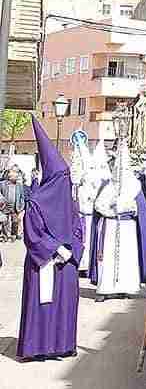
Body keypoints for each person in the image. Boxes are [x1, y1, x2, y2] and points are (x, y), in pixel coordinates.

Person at [17, 119, 83, 360]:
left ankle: (62, 345)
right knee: (43, 305)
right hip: (44, 263)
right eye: (63, 177)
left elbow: (78, 229)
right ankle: (38, 347)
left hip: (66, 265)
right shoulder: (35, 202)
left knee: (63, 306)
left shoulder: (71, 203)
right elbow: (32, 235)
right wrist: (56, 250)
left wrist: (72, 250)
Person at [92, 138, 146, 301]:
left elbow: (139, 210)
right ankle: (105, 288)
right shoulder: (107, 186)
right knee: (108, 258)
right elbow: (98, 205)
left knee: (127, 258)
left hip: (127, 227)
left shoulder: (134, 185)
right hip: (111, 225)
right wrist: (111, 208)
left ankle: (127, 287)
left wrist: (125, 206)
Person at [0, 168, 25, 241]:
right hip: (5, 205)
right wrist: (2, 200)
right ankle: (5, 235)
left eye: (16, 177)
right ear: (10, 176)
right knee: (5, 221)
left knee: (15, 221)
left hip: (15, 206)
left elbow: (22, 197)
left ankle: (13, 235)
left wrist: (21, 206)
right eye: (14, 177)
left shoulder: (19, 185)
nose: (16, 178)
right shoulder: (2, 184)